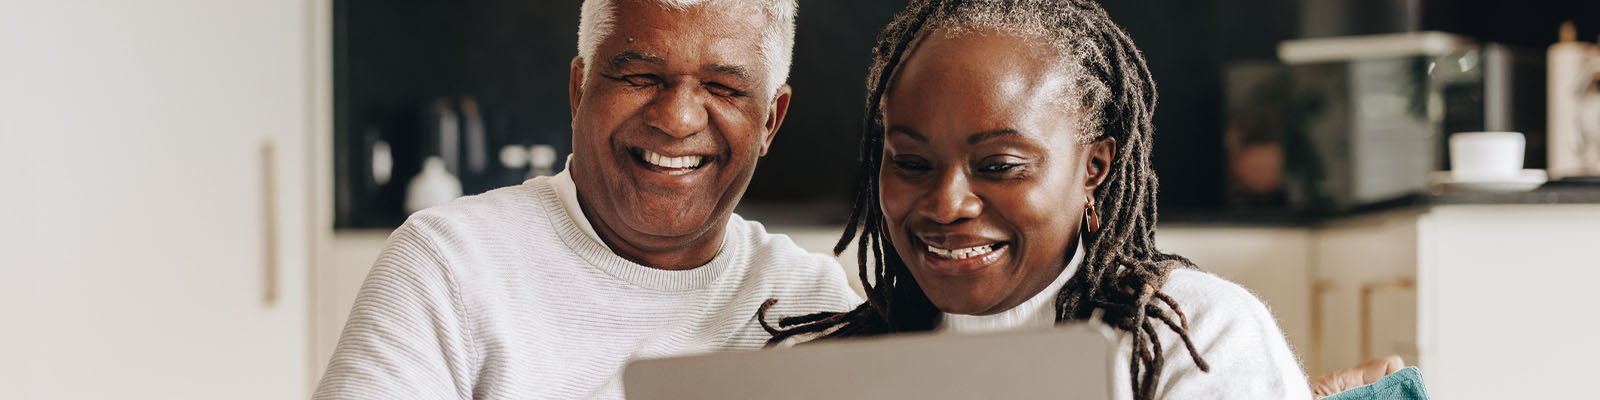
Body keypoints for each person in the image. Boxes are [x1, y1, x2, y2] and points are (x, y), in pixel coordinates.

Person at [760, 1, 1312, 398]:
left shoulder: (1195, 333)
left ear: (1094, 167)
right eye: (912, 164)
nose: (947, 204)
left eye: (999, 166)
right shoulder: (825, 365)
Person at [313, 0, 859, 398]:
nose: (677, 119)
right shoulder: (445, 264)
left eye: (723, 88)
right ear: (579, 91)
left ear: (770, 120)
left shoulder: (809, 299)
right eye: (642, 76)